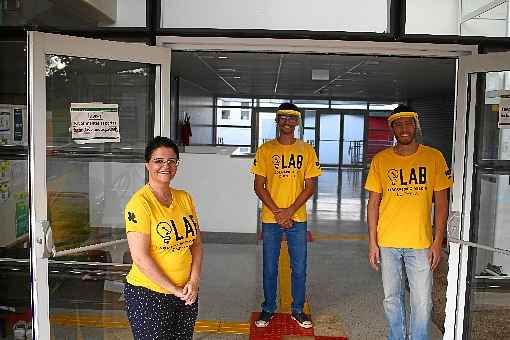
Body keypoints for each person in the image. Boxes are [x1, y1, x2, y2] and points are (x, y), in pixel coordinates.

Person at [365, 105, 452, 340]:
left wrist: (437, 242)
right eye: (398, 124)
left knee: (422, 302)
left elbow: (442, 204)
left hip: (421, 243)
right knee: (391, 299)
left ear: (415, 126)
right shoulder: (381, 160)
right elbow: (373, 204)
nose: (404, 128)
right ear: (392, 128)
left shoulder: (434, 157)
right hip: (388, 242)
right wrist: (373, 243)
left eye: (408, 123)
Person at [124, 136, 203, 340]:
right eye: (159, 161)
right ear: (147, 165)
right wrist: (173, 289)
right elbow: (140, 258)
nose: (165, 166)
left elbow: (196, 245)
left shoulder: (184, 198)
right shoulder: (140, 204)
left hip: (186, 294)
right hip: (149, 295)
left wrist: (193, 282)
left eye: (171, 161)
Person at [251, 102, 321, 328]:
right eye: (283, 118)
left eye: (292, 118)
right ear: (277, 120)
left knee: (299, 267)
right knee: (269, 267)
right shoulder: (265, 150)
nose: (287, 122)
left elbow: (310, 186)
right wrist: (278, 212)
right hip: (271, 220)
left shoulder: (307, 150)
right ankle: (268, 308)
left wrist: (289, 211)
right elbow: (259, 186)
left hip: (297, 219)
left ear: (298, 122)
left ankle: (298, 310)